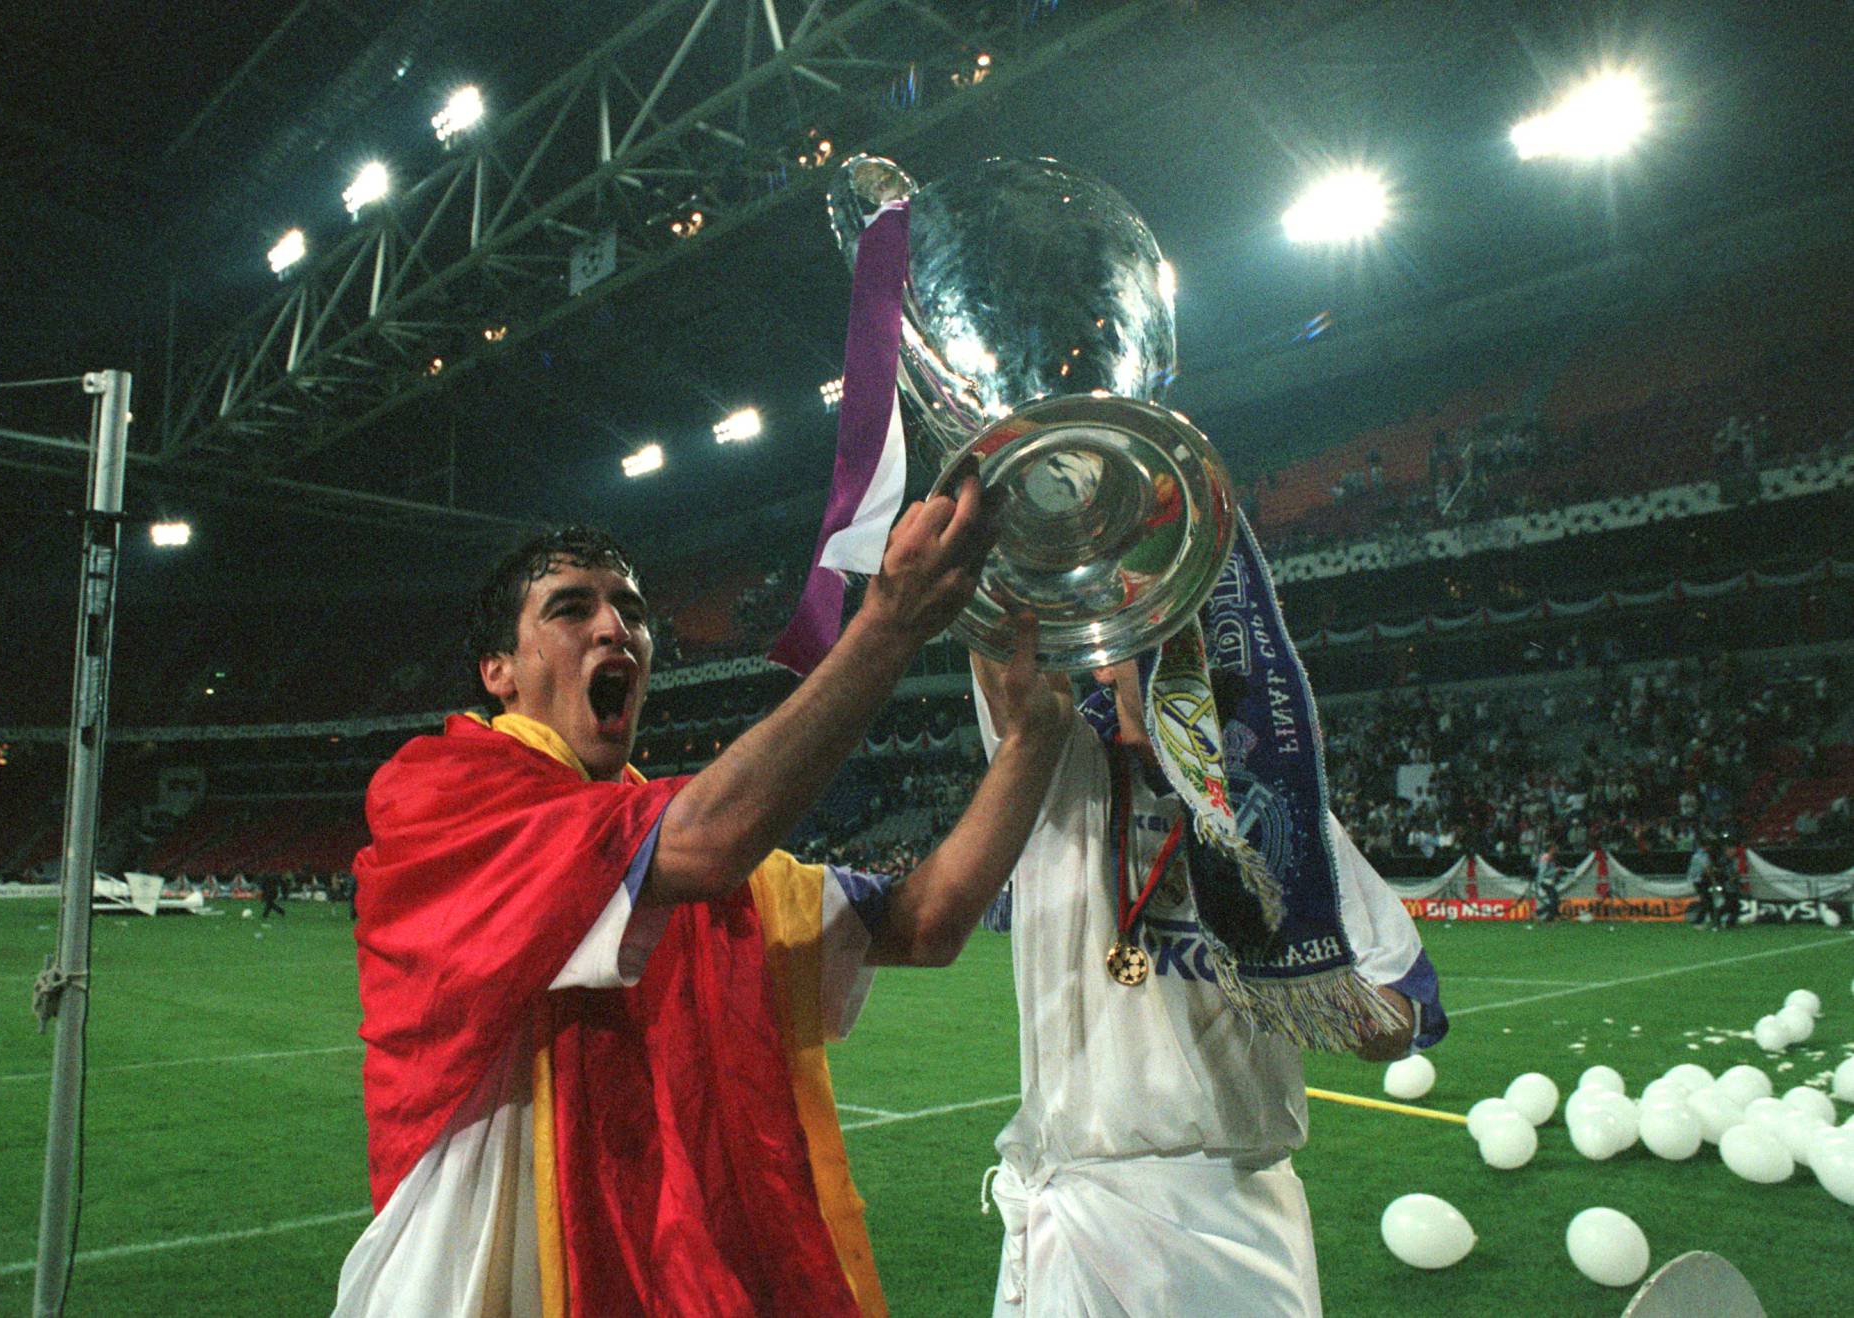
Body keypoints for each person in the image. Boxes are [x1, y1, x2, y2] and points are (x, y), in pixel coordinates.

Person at [334, 489, 1072, 1317]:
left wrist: (1030, 745)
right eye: (572, 609)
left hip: (670, 1280)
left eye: (632, 610)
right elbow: (703, 841)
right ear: (496, 672)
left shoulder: (689, 855)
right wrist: (888, 623)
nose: (615, 628)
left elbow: (922, 923)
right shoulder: (441, 795)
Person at [970, 655, 1446, 1316]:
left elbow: (1400, 1008)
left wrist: (1300, 980)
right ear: (1105, 660)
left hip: (1246, 1215)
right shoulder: (1058, 770)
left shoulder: (1282, 809)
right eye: (1156, 629)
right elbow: (1003, 645)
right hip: (1085, 1212)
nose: (1181, 646)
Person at [1534, 844, 1562, 924]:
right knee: (1554, 900)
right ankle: (1546, 917)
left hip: (1548, 882)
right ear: (1550, 849)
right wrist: (1556, 870)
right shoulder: (1546, 857)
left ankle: (1555, 916)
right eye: (1555, 848)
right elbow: (1544, 873)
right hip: (1545, 882)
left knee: (1555, 900)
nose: (1556, 850)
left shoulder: (1549, 857)